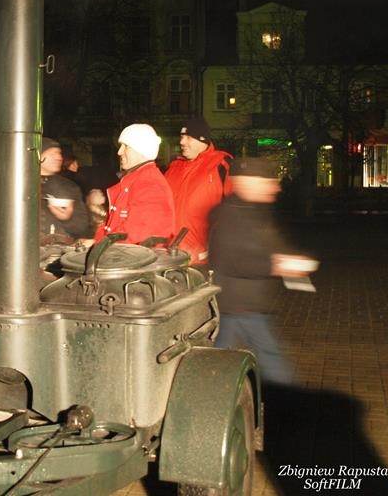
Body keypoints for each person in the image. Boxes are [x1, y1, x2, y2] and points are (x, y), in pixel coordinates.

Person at [209, 157, 314, 386]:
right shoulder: (227, 214)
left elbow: (270, 243)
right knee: (269, 361)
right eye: (268, 181)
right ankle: (286, 402)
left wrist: (287, 257)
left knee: (219, 360)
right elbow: (232, 260)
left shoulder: (255, 210)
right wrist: (276, 265)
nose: (275, 187)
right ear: (247, 182)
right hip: (236, 305)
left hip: (247, 306)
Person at [165, 116, 232, 267]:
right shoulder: (174, 167)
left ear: (203, 139)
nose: (182, 142)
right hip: (169, 257)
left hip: (202, 261)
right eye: (181, 137)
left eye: (188, 137)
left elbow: (235, 212)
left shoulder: (221, 164)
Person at [91, 124, 175, 245]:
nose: (119, 152)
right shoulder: (136, 180)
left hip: (135, 261)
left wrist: (97, 246)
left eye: (126, 147)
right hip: (122, 258)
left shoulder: (150, 186)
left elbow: (133, 239)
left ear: (141, 149)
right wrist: (94, 242)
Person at [39, 138, 89, 243]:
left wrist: (67, 218)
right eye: (52, 153)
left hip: (61, 252)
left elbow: (82, 228)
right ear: (39, 156)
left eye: (59, 153)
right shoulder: (20, 185)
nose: (59, 157)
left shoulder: (69, 187)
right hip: (27, 251)